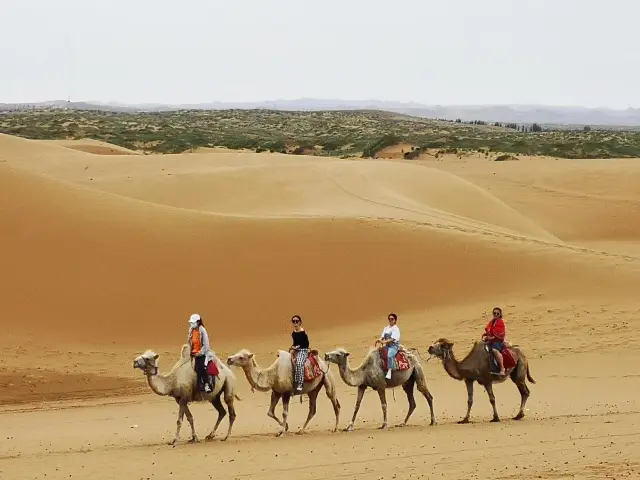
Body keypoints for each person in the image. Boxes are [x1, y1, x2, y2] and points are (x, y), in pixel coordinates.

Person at [188, 313, 214, 392]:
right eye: (191, 322)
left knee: (201, 367)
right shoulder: (191, 330)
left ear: (198, 322)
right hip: (193, 353)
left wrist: (199, 353)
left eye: (193, 322)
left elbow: (206, 345)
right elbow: (189, 342)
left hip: (202, 353)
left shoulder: (202, 330)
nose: (191, 324)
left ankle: (206, 385)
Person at [483, 307, 506, 376]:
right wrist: (486, 335)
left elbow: (500, 333)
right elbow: (489, 330)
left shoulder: (500, 322)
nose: (496, 314)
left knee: (494, 350)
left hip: (498, 342)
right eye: (494, 313)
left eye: (497, 313)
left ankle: (502, 368)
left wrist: (491, 337)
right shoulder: (492, 322)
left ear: (500, 314)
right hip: (491, 340)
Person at [289, 314, 309, 393]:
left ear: (300, 322)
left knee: (299, 363)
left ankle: (300, 383)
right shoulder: (293, 333)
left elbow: (305, 344)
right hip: (296, 350)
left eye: (297, 321)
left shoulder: (302, 332)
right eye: (293, 321)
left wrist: (296, 347)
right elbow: (295, 343)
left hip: (303, 350)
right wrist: (292, 347)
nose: (295, 323)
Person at [378, 313, 400, 379]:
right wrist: (379, 340)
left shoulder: (395, 329)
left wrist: (384, 341)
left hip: (393, 346)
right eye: (389, 319)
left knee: (390, 355)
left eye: (392, 319)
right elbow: (382, 337)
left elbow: (392, 339)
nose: (390, 320)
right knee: (377, 352)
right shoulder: (386, 328)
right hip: (387, 346)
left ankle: (389, 371)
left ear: (395, 320)